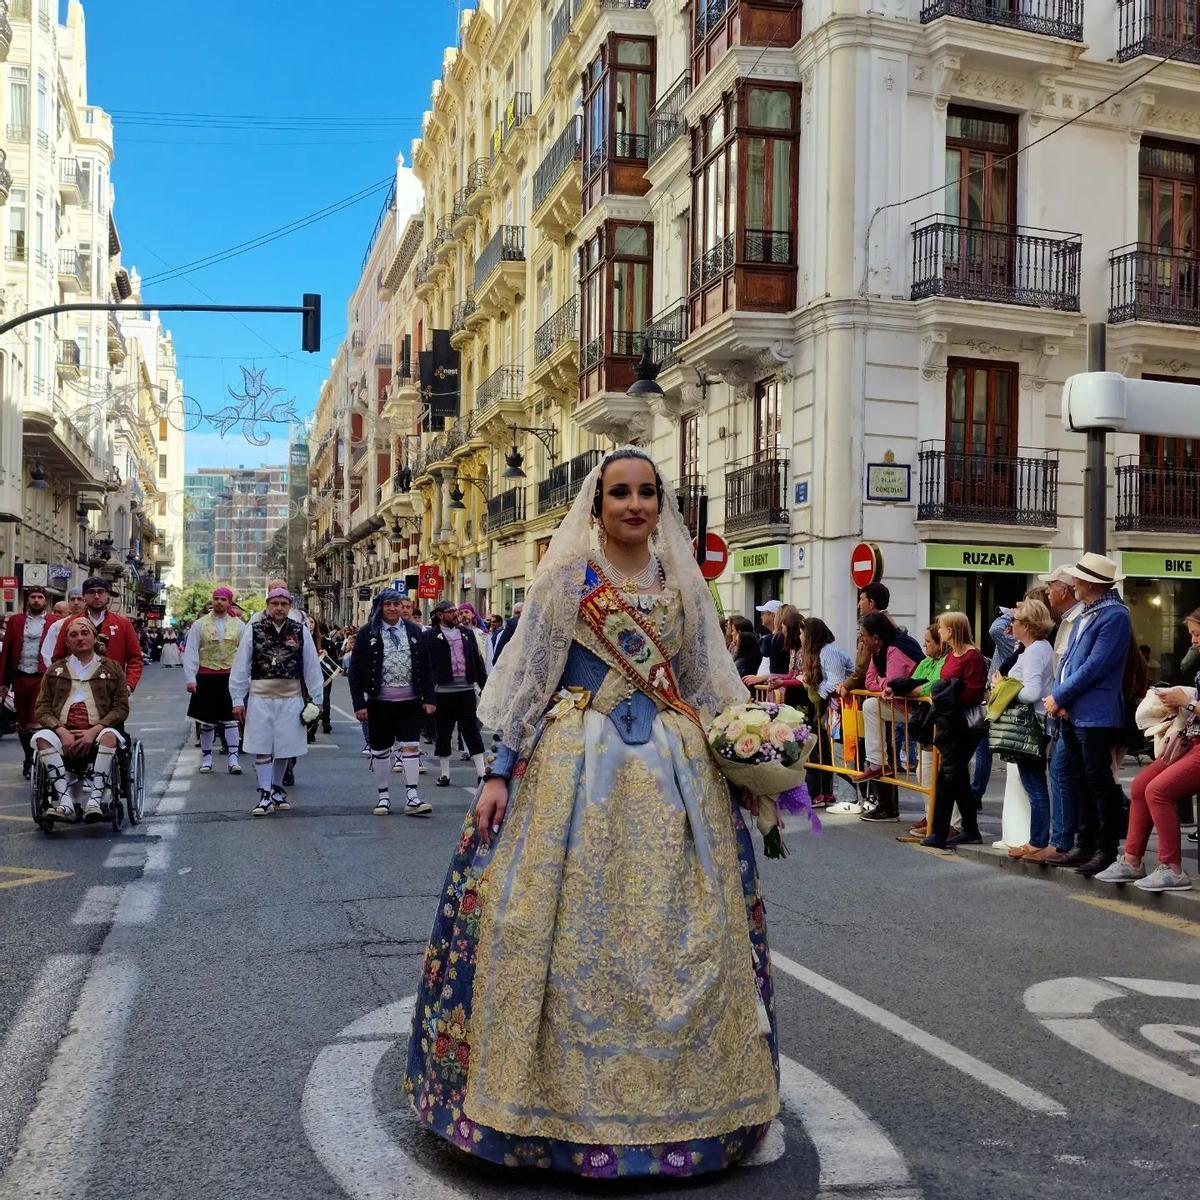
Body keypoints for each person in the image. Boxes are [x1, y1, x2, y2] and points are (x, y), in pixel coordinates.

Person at [405, 447, 778, 1177]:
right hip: (576, 765)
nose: (634, 505)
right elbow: (532, 679)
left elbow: (705, 680)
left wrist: (750, 761)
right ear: (597, 503)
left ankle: (694, 1113)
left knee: (682, 931)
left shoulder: (681, 581)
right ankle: (539, 1115)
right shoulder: (564, 581)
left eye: (647, 493)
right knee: (548, 928)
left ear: (660, 503)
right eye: (619, 494)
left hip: (675, 773)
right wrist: (499, 772)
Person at [1096, 607, 1200, 893]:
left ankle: (1172, 868)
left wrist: (1186, 702)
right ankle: (1132, 860)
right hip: (1191, 741)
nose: (1193, 641)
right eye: (1191, 634)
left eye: (1197, 634)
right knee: (1142, 785)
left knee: (1158, 790)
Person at [1042, 554, 1133, 877]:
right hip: (1076, 711)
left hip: (1096, 714)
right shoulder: (1090, 613)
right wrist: (1064, 699)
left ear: (1092, 583)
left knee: (1098, 783)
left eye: (1078, 579)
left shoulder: (1114, 616)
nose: (1073, 583)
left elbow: (1096, 665)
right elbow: (1073, 661)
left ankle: (1105, 849)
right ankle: (1085, 844)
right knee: (1080, 779)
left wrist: (1061, 695)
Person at [229, 587, 324, 816]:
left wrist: (317, 698)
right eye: (275, 603)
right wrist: (236, 699)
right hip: (260, 697)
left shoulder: (300, 631)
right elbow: (241, 666)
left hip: (290, 698)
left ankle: (277, 787)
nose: (279, 608)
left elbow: (311, 665)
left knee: (284, 747)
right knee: (262, 746)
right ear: (268, 605)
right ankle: (264, 794)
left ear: (289, 605)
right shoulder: (254, 631)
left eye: (283, 603)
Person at [348, 588, 437, 816]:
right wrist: (359, 704)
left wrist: (429, 697)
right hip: (379, 703)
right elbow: (355, 671)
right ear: (380, 607)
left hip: (410, 701)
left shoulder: (414, 631)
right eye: (387, 604)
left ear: (402, 607)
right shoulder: (368, 632)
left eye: (396, 604)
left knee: (411, 746)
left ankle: (412, 796)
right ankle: (383, 797)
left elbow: (427, 666)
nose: (392, 608)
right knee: (380, 750)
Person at [32, 616, 129, 822]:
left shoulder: (112, 668)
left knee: (110, 737)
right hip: (64, 730)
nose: (80, 638)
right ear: (67, 642)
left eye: (85, 633)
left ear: (95, 638)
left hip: (98, 730)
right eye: (73, 635)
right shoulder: (55, 670)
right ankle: (66, 804)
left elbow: (121, 708)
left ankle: (94, 801)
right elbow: (42, 708)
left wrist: (93, 731)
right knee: (42, 738)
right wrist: (61, 731)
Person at [994, 599, 1056, 861]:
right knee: (1036, 783)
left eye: (1016, 621)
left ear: (1027, 626)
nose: (1012, 625)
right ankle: (1037, 840)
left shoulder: (1033, 652)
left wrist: (1004, 686)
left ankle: (1037, 842)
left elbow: (1030, 692)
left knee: (1034, 784)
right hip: (1038, 723)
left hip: (1031, 724)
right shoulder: (1039, 648)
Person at [844, 612, 922, 819]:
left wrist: (883, 683)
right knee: (871, 705)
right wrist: (883, 682)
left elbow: (893, 683)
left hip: (916, 707)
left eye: (863, 635)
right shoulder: (878, 649)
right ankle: (877, 763)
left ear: (876, 637)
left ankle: (878, 764)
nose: (861, 639)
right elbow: (871, 682)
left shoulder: (895, 648)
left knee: (871, 705)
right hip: (901, 703)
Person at [921, 611, 988, 848]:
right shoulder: (952, 655)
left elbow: (973, 692)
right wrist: (945, 690)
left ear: (952, 630)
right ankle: (970, 829)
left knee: (947, 778)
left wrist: (947, 691)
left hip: (964, 725)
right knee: (957, 777)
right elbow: (942, 683)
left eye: (941, 627)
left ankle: (939, 833)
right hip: (948, 721)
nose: (938, 631)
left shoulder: (972, 656)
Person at [424, 599, 488, 785]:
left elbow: (477, 662)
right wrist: (427, 694)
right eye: (451, 611)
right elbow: (426, 667)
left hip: (466, 690)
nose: (456, 614)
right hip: (442, 692)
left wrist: (485, 686)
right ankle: (445, 773)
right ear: (440, 615)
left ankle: (481, 772)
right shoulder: (430, 637)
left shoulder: (467, 634)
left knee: (471, 731)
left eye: (456, 611)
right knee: (443, 733)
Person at [183, 587, 245, 776]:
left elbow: (245, 654)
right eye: (216, 599)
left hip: (229, 677)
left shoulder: (239, 625)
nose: (219, 602)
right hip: (206, 676)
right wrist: (191, 678)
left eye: (223, 599)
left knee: (231, 720)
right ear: (212, 601)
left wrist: (244, 680)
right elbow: (191, 651)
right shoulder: (199, 625)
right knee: (206, 721)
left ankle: (233, 758)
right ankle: (207, 758)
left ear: (229, 602)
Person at [49, 578, 143, 693]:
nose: (97, 596)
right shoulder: (71, 623)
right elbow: (58, 658)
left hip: (112, 689)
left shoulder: (123, 624)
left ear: (108, 595)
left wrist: (129, 684)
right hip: (77, 689)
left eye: (101, 591)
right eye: (91, 592)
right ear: (84, 596)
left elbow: (135, 659)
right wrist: (62, 683)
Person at [799, 617, 855, 810]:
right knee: (833, 749)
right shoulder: (822, 652)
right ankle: (841, 795)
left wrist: (817, 689)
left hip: (842, 707)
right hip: (833, 707)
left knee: (841, 750)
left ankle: (848, 798)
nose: (800, 637)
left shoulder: (828, 652)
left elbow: (836, 681)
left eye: (802, 633)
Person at [0, 585, 54, 778]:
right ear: (28, 600)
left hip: (42, 677)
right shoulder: (15, 621)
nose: (36, 601)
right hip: (20, 676)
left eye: (40, 597)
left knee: (37, 720)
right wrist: (3, 682)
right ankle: (28, 756)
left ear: (45, 600)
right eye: (33, 597)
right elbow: (6, 652)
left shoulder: (54, 622)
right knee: (22, 723)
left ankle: (39, 758)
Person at [41, 588, 85, 668]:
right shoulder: (57, 625)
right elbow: (48, 652)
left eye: (80, 599)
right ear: (68, 602)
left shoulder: (93, 623)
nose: (76, 602)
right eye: (72, 599)